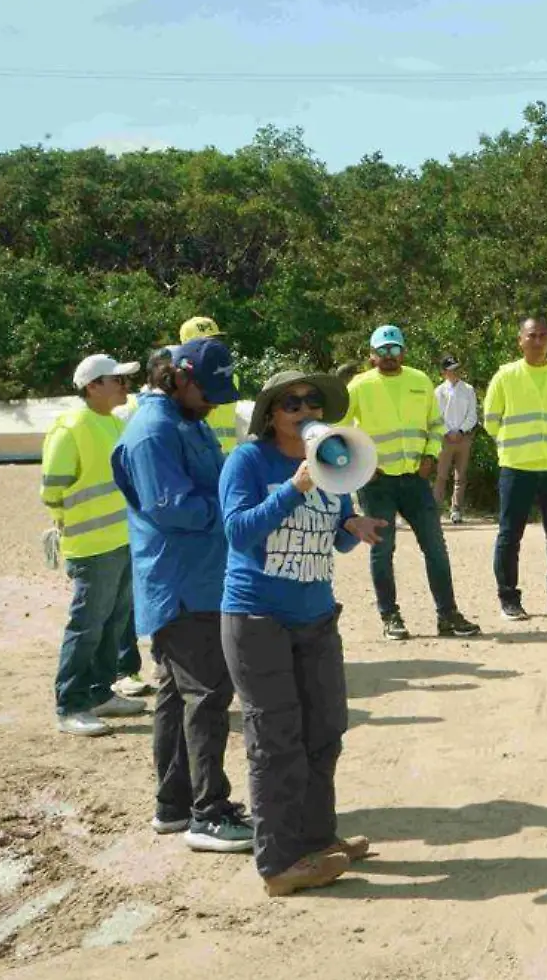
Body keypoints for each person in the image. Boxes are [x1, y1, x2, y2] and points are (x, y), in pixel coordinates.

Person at [221, 370, 384, 897]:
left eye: (313, 401)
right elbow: (240, 532)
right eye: (292, 403)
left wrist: (352, 529)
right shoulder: (248, 462)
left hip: (315, 616)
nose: (305, 409)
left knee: (324, 731)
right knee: (275, 741)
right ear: (271, 414)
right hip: (256, 617)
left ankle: (318, 840)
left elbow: (331, 538)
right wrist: (293, 489)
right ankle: (279, 865)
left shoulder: (331, 458)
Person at [111, 336, 252, 852]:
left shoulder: (184, 421)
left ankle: (173, 806)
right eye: (207, 390)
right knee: (208, 695)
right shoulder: (153, 432)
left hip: (197, 576)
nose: (214, 400)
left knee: (175, 694)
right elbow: (172, 508)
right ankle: (208, 812)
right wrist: (235, 515)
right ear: (177, 378)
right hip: (182, 585)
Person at [345, 325, 478, 640]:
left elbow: (436, 424)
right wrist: (361, 466)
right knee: (382, 549)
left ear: (403, 351)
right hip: (377, 483)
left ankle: (448, 615)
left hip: (415, 480)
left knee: (435, 547)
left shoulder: (420, 382)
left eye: (394, 349)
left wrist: (431, 456)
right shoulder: (358, 386)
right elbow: (338, 432)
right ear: (372, 355)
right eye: (383, 350)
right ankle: (390, 617)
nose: (389, 356)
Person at [41, 353, 146, 737]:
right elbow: (52, 488)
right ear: (92, 386)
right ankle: (70, 704)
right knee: (87, 626)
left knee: (114, 621)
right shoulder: (71, 427)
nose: (124, 385)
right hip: (91, 547)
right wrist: (65, 524)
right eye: (116, 379)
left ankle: (100, 692)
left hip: (120, 541)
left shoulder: (112, 423)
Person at [482, 315, 547, 621]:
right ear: (520, 341)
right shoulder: (506, 375)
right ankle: (509, 598)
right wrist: (513, 444)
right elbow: (490, 421)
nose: (537, 341)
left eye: (542, 336)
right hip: (518, 465)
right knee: (510, 535)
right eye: (531, 336)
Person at [110, 345, 179, 700]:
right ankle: (126, 668)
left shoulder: (187, 409)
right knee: (131, 599)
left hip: (138, 518)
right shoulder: (135, 414)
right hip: (136, 517)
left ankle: (149, 661)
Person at [178, 316, 245, 454]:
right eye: (205, 341)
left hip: (226, 456)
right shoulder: (181, 384)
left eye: (215, 339)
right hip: (200, 456)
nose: (213, 345)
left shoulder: (231, 378)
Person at [433, 355, 478, 524]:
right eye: (451, 370)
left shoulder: (468, 389)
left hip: (463, 437)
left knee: (461, 475)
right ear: (444, 372)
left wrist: (460, 430)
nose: (455, 372)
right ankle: (435, 510)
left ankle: (456, 509)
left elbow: (472, 414)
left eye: (457, 369)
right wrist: (448, 431)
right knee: (441, 475)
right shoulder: (438, 392)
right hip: (445, 438)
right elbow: (436, 416)